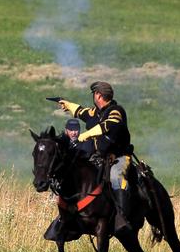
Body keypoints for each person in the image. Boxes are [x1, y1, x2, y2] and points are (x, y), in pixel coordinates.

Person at [57, 81, 134, 235]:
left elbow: (106, 126)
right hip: (99, 157)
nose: (93, 96)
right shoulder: (97, 112)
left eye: (94, 94)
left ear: (98, 95)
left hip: (118, 157)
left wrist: (85, 135)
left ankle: (121, 218)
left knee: (116, 177)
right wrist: (68, 105)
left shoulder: (115, 111)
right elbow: (82, 112)